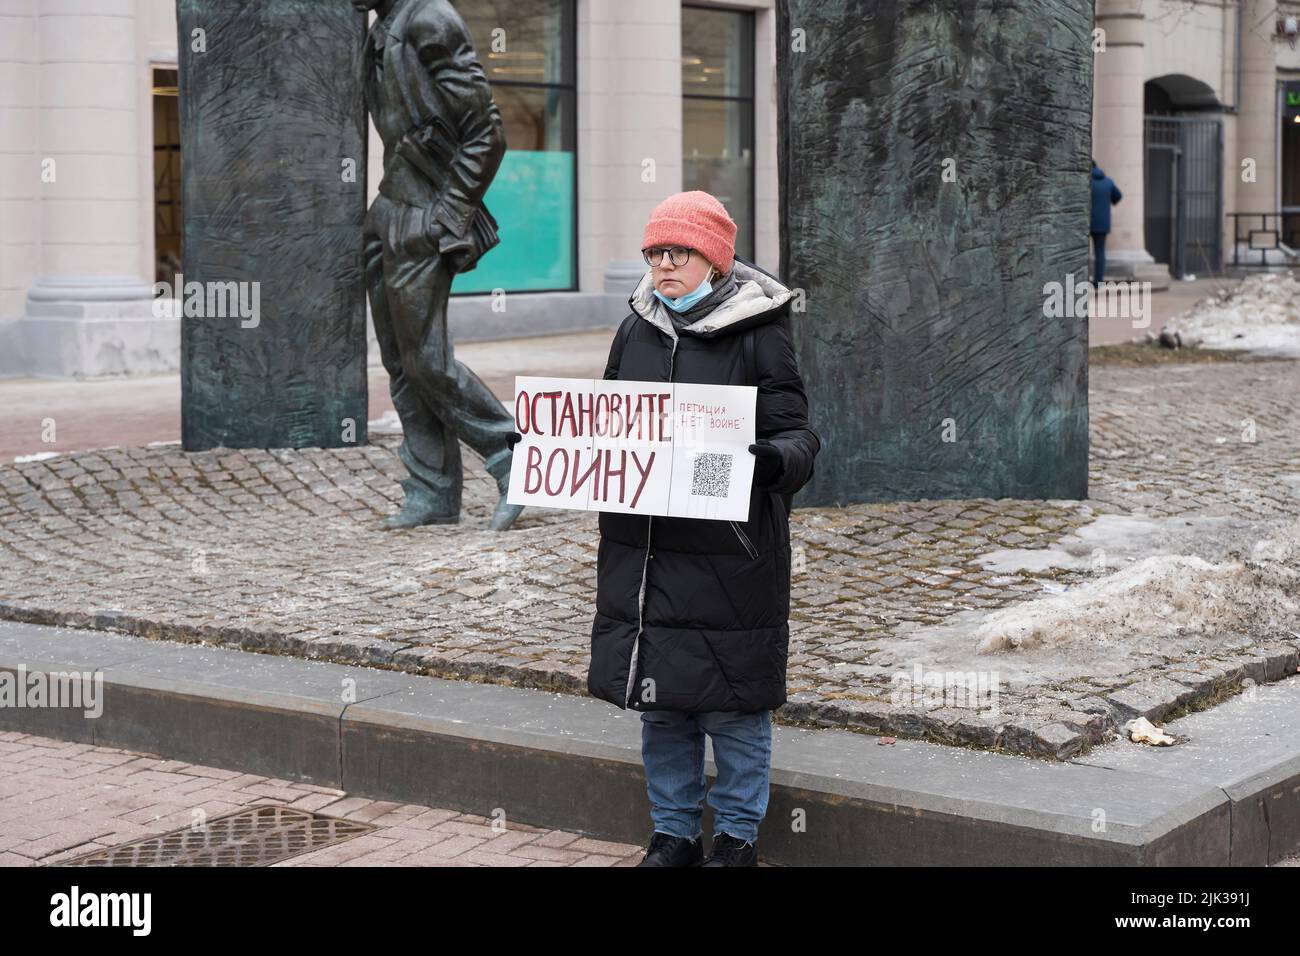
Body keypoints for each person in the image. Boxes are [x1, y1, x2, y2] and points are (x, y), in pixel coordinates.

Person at [581, 190, 819, 866]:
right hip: (648, 554)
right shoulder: (636, 327)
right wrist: (551, 445)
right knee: (663, 709)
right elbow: (608, 424)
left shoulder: (760, 328)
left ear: (712, 258)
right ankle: (674, 836)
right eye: (654, 252)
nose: (661, 265)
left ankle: (736, 841)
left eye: (675, 252)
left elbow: (798, 436)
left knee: (734, 709)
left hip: (730, 558)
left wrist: (772, 461)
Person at [356, 0, 523, 531]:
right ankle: (432, 489)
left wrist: (446, 214)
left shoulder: (430, 19)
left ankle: (512, 456)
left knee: (427, 360)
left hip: (424, 214)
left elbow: (486, 131)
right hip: (388, 211)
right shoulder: (381, 30)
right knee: (402, 364)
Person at [1090, 159, 1122, 287]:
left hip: (1085, 222)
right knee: (1100, 253)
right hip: (1102, 223)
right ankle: (1098, 282)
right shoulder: (1108, 182)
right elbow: (1118, 196)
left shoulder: (1086, 182)